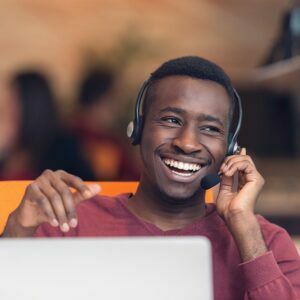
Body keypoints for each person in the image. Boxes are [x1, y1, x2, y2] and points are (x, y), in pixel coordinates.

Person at [2, 57, 300, 299]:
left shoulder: (266, 242)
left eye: (210, 128)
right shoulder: (67, 223)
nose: (187, 142)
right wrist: (17, 232)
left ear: (230, 148)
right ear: (137, 129)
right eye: (171, 120)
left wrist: (246, 232)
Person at [0, 71, 95, 180]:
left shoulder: (63, 146)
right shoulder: (9, 147)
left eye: (13, 99)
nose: (5, 107)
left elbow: (86, 186)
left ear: (32, 105)